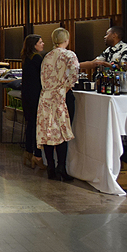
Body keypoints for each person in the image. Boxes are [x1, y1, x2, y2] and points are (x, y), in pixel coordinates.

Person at [37, 28, 80, 181]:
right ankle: (61, 167)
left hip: (46, 98)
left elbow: (43, 77)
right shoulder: (69, 55)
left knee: (48, 133)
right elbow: (75, 74)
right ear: (66, 39)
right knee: (62, 133)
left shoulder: (47, 56)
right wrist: (65, 88)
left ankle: (50, 167)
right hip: (62, 97)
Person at [20, 34, 46, 170]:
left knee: (30, 124)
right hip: (36, 95)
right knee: (37, 125)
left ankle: (28, 151)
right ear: (34, 45)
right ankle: (37, 155)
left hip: (27, 95)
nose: (43, 44)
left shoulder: (27, 57)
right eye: (40, 42)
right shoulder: (37, 58)